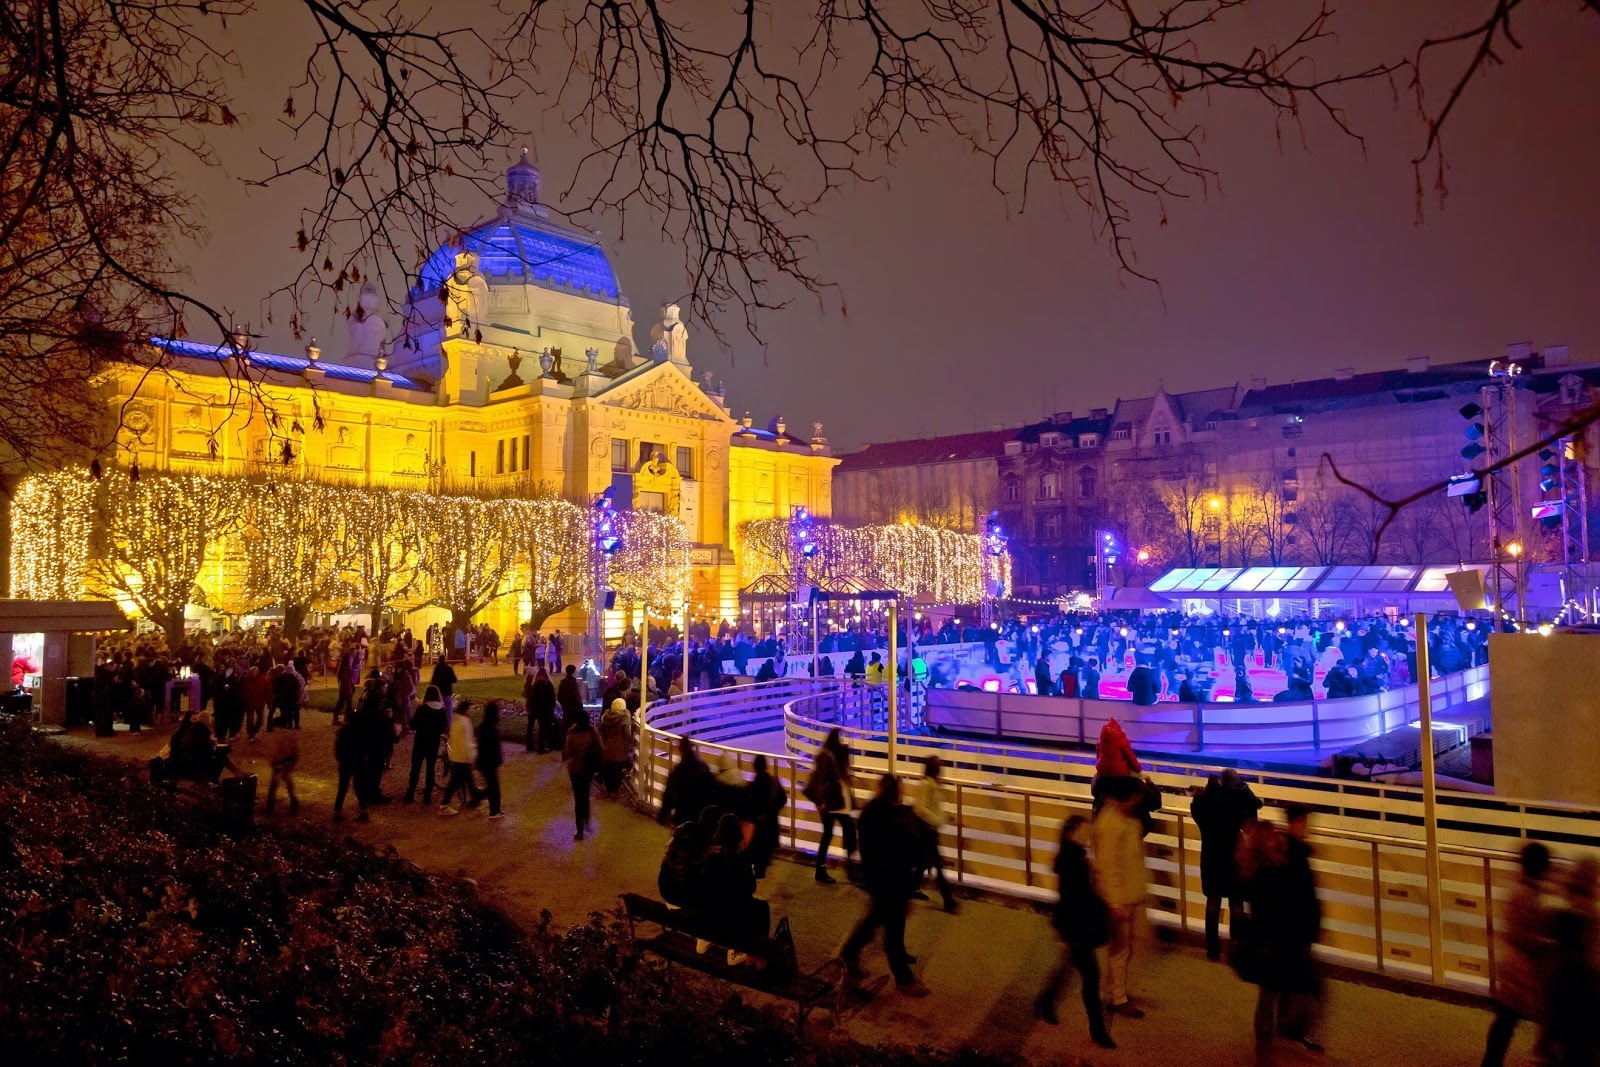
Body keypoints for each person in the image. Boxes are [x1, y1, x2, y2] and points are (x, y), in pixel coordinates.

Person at [1245, 804, 1323, 1064]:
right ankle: (1273, 1046)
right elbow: (1282, 903)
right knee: (1283, 994)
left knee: (1278, 994)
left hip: (1284, 938)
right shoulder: (1272, 868)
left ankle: (1277, 1043)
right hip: (1280, 940)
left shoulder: (1279, 862)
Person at [1033, 814, 1115, 1049]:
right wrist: (1068, 935)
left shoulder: (1075, 858)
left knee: (1069, 968)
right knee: (1091, 978)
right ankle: (1097, 1031)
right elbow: (1072, 900)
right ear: (1071, 834)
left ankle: (1045, 1001)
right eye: (1083, 831)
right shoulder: (1074, 863)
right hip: (1077, 928)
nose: (1088, 835)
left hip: (1074, 926)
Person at [840, 774, 926, 994]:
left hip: (879, 879)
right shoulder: (896, 818)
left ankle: (849, 953)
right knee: (892, 930)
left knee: (875, 921)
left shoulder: (871, 813)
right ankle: (904, 978)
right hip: (892, 882)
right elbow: (909, 848)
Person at [1479, 841, 1554, 1066]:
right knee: (1510, 1018)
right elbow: (1524, 934)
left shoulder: (1520, 888)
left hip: (1514, 963)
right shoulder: (1526, 893)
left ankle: (1493, 1061)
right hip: (1522, 965)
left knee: (1507, 1018)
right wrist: (1547, 943)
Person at [1091, 777, 1149, 1020]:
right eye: (1135, 798)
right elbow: (1107, 866)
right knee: (1120, 950)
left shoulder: (1127, 819)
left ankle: (1117, 991)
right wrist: (1114, 903)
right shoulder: (1110, 823)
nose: (1138, 803)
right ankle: (1117, 997)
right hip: (1121, 899)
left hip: (1130, 894)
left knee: (1124, 949)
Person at [1191, 769, 1262, 960]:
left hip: (1211, 859)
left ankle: (1212, 950)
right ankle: (1236, 948)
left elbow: (1196, 810)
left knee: (1213, 903)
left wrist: (1199, 796)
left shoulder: (1207, 805)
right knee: (1236, 905)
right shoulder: (1237, 803)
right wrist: (1244, 790)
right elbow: (1253, 813)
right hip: (1233, 859)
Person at [1547, 856, 1600, 1067]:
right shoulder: (1591, 912)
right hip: (1584, 984)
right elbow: (1593, 955)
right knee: (1583, 1047)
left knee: (1570, 1044)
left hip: (1564, 981)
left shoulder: (1562, 907)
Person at [702, 812, 771, 948]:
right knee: (762, 908)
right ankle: (755, 950)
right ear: (737, 834)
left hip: (712, 909)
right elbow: (751, 888)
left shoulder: (710, 857)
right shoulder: (740, 859)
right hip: (733, 913)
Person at [805, 728, 858, 884]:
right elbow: (820, 779)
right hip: (832, 803)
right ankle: (846, 866)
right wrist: (819, 802)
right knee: (845, 829)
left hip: (833, 803)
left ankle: (824, 869)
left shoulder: (831, 755)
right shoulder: (827, 757)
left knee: (834, 833)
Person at [911, 755, 957, 912]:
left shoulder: (933, 784)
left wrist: (943, 817)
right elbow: (920, 808)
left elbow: (932, 807)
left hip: (930, 830)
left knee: (923, 862)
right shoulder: (927, 785)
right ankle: (948, 900)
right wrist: (936, 820)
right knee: (938, 865)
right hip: (927, 831)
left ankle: (912, 888)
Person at [740, 754, 786, 878]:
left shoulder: (751, 787)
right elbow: (783, 800)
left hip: (756, 832)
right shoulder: (774, 784)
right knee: (762, 864)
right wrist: (773, 811)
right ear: (766, 766)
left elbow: (745, 809)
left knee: (753, 862)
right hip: (770, 829)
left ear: (754, 768)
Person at [658, 736, 716, 828]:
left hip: (683, 812)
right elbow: (711, 787)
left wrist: (663, 814)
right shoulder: (703, 766)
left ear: (680, 749)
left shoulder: (679, 770)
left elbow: (669, 793)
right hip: (699, 812)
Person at [563, 709, 601, 840]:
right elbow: (600, 748)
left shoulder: (572, 733)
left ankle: (579, 829)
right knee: (585, 794)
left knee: (578, 797)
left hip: (575, 770)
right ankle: (586, 817)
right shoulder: (592, 732)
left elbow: (568, 752)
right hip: (588, 768)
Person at [405, 686, 447, 804]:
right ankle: (427, 796)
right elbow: (444, 727)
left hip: (421, 740)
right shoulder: (442, 710)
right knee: (430, 768)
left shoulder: (422, 709)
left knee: (416, 767)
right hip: (434, 741)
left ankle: (410, 793)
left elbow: (413, 725)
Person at [440, 699, 479, 814]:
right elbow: (468, 741)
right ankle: (444, 804)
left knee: (467, 779)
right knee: (455, 782)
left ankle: (475, 797)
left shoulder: (455, 721)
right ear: (466, 710)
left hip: (457, 755)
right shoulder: (465, 722)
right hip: (463, 756)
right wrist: (472, 756)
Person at [1092, 718, 1141, 809]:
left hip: (1103, 775)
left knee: (1100, 797)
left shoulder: (1101, 741)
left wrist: (1101, 769)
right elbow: (1130, 757)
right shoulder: (1123, 741)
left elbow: (1098, 757)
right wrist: (1138, 770)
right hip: (1120, 775)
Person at [333, 714, 371, 822]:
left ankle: (337, 813)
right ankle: (364, 811)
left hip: (345, 762)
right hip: (358, 762)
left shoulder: (343, 732)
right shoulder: (362, 732)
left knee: (342, 788)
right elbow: (367, 748)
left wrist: (340, 759)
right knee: (359, 787)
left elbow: (338, 748)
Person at [477, 701, 505, 818]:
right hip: (490, 762)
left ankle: (493, 808)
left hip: (484, 762)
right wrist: (498, 761)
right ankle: (494, 810)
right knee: (494, 787)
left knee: (491, 785)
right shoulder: (492, 729)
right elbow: (494, 748)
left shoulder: (483, 727)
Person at [264, 721, 299, 815]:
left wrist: (273, 761)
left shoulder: (275, 735)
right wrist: (293, 761)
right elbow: (295, 750)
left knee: (274, 784)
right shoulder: (291, 734)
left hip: (278, 762)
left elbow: (274, 751)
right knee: (288, 781)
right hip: (288, 761)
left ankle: (270, 805)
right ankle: (293, 801)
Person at [598, 697, 631, 795]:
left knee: (609, 769)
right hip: (619, 749)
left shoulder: (605, 717)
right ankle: (615, 792)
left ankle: (609, 790)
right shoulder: (624, 719)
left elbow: (601, 732)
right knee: (617, 770)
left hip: (607, 748)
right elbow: (627, 735)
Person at [525, 666, 557, 753]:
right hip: (545, 709)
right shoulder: (548, 684)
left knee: (533, 727)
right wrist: (552, 707)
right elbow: (552, 697)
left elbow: (531, 696)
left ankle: (533, 746)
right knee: (544, 727)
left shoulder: (534, 684)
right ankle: (544, 746)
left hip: (535, 708)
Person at [556, 663, 584, 744]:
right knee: (574, 724)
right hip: (574, 707)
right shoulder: (574, 682)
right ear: (573, 672)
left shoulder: (563, 682)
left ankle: (565, 741)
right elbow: (576, 695)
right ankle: (573, 741)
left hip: (566, 707)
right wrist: (580, 705)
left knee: (566, 724)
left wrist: (563, 704)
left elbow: (559, 696)